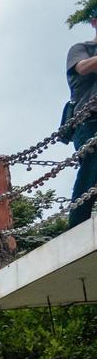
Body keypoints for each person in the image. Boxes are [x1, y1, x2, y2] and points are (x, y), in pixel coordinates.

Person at [67, 26, 97, 227]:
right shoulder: (81, 49)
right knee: (92, 168)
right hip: (89, 123)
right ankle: (77, 226)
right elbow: (83, 68)